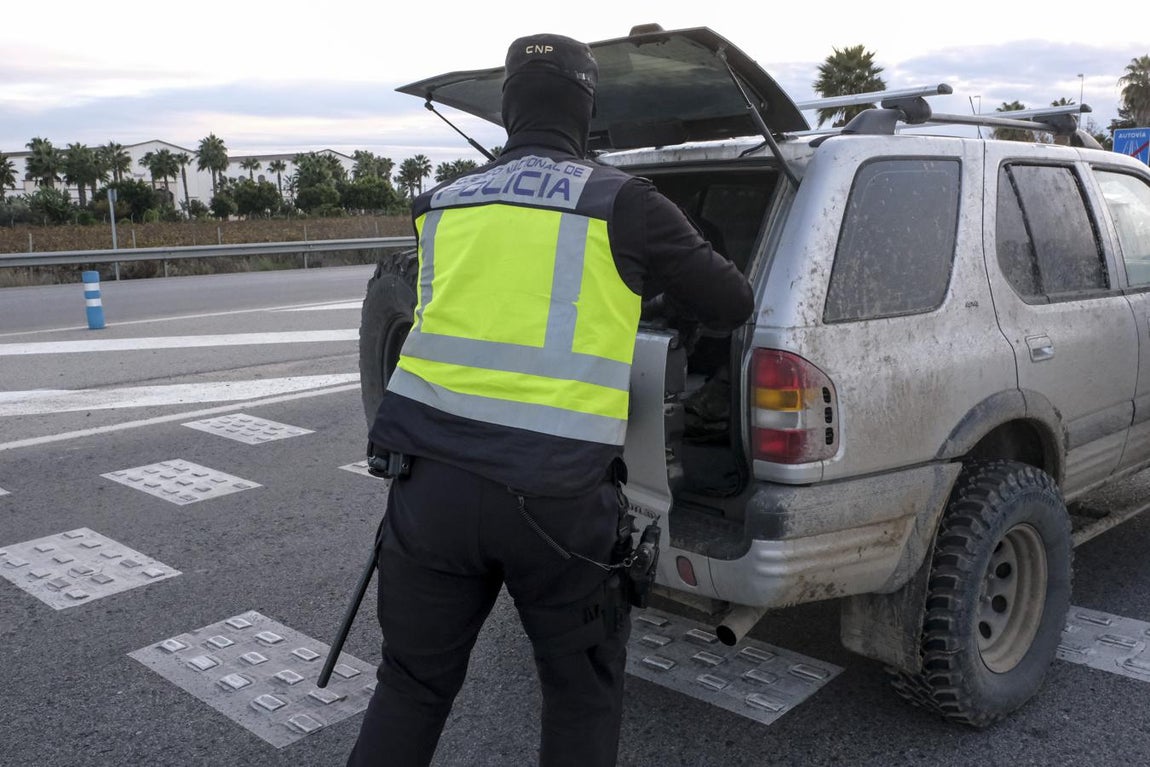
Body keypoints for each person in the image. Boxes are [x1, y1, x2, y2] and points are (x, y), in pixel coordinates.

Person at [347, 32, 754, 767]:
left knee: (409, 689)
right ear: (588, 110)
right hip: (556, 501)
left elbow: (489, 302)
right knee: (578, 696)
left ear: (507, 108)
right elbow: (732, 299)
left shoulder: (440, 204)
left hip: (429, 487)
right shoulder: (624, 203)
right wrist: (642, 283)